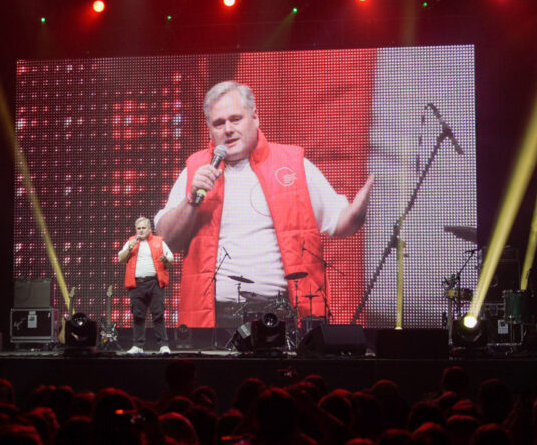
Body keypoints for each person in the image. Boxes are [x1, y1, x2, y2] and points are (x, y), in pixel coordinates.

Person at [155, 80, 374, 328]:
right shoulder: (196, 171)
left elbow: (340, 223)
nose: (228, 129)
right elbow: (166, 242)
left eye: (235, 119)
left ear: (255, 117)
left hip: (283, 316)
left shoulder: (293, 165)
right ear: (209, 129)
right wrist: (191, 200)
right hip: (217, 318)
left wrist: (358, 210)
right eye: (219, 123)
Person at [119, 216, 175, 354]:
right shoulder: (131, 242)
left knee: (158, 314)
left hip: (154, 283)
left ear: (149, 229)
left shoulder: (158, 241)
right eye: (138, 228)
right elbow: (121, 258)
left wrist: (165, 259)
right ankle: (137, 346)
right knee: (138, 316)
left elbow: (171, 258)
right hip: (137, 284)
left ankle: (163, 345)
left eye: (144, 228)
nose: (141, 231)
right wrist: (129, 248)